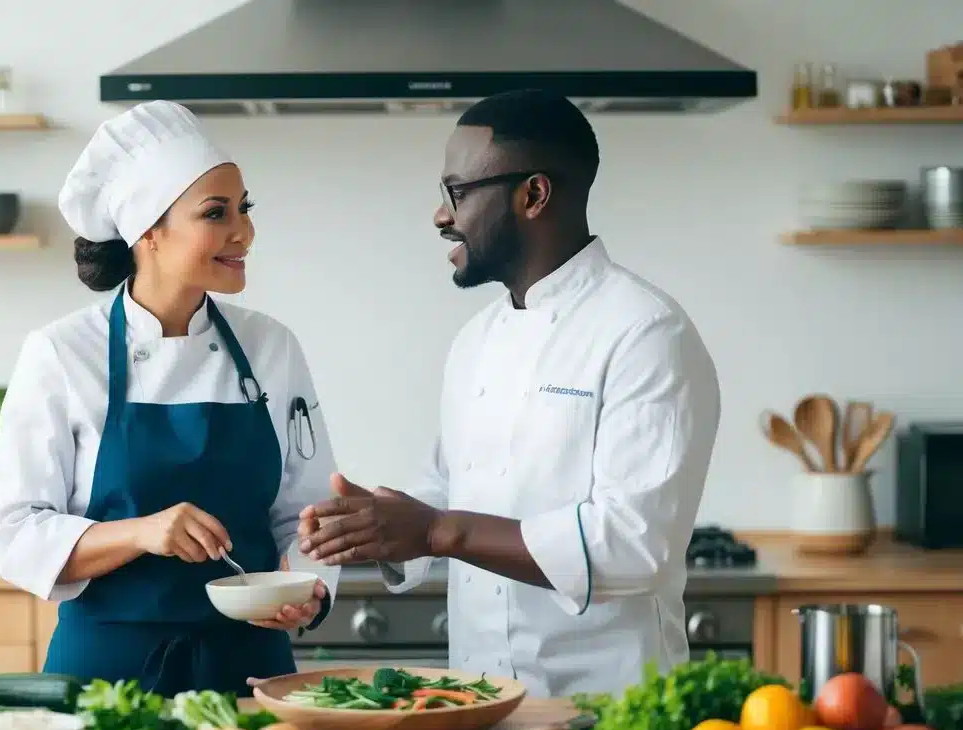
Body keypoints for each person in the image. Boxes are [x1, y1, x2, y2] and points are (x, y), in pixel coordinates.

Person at [297, 88, 721, 698]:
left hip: (605, 708)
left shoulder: (646, 333)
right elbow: (448, 489)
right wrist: (373, 525)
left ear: (534, 195)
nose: (441, 215)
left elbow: (635, 545)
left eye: (457, 192)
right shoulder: (476, 338)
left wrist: (439, 530)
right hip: (478, 700)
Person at [0, 101, 339, 697]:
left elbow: (308, 510)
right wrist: (141, 533)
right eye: (216, 213)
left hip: (251, 668)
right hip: (105, 677)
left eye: (245, 208)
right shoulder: (62, 353)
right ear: (148, 230)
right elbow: (16, 533)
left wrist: (307, 586)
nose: (244, 232)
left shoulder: (271, 347)